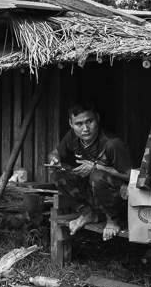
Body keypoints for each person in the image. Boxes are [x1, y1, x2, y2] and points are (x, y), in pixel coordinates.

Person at [47, 102, 131, 240]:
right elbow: (54, 153)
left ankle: (113, 220)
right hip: (94, 197)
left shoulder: (112, 144)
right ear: (71, 123)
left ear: (97, 118)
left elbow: (131, 176)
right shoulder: (73, 137)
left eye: (89, 121)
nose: (85, 128)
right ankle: (88, 213)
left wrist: (96, 167)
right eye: (79, 124)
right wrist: (54, 159)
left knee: (97, 176)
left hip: (120, 200)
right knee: (58, 175)